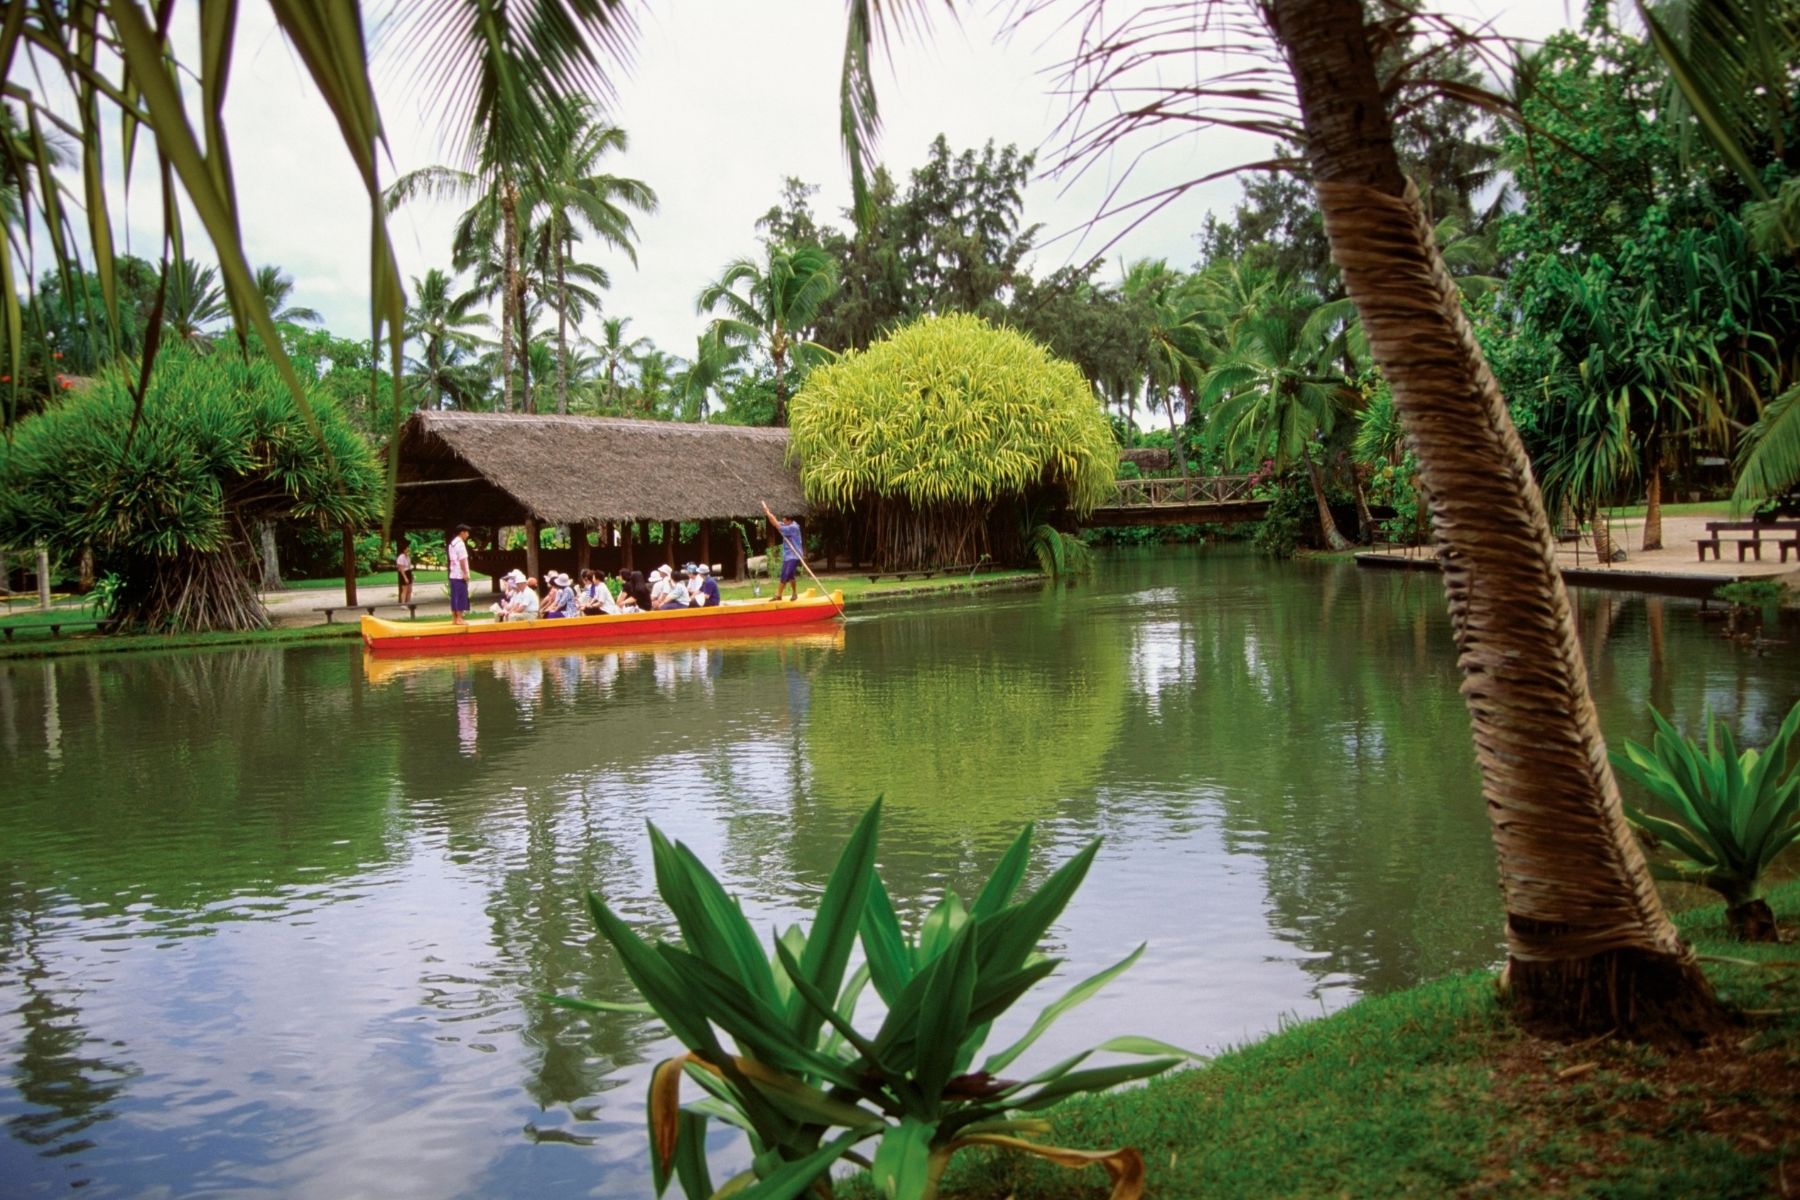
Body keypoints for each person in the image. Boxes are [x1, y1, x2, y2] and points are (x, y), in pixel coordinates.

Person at [762, 501, 803, 601]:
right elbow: (775, 523)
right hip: (788, 555)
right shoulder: (787, 524)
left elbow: (778, 525)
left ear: (789, 521)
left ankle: (778, 595)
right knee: (791, 575)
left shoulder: (793, 527)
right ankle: (794, 594)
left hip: (794, 555)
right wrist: (768, 513)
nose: (783, 522)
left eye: (784, 521)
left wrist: (768, 512)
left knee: (785, 574)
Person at [447, 524, 472, 624]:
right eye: (467, 532)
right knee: (461, 596)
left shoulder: (452, 543)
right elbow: (462, 559)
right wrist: (465, 573)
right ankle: (460, 618)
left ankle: (454, 618)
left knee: (454, 596)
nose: (468, 535)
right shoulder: (460, 544)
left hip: (453, 574)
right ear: (462, 533)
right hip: (460, 574)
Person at [394, 540, 414, 605]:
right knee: (404, 590)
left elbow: (409, 566)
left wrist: (412, 575)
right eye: (407, 549)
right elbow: (401, 569)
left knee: (410, 589)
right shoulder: (401, 557)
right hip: (404, 573)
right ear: (404, 550)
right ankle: (403, 603)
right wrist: (405, 578)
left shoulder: (408, 557)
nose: (408, 550)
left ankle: (408, 602)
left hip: (408, 572)